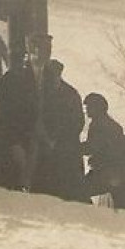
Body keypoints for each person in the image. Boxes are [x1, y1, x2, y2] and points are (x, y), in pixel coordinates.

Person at [0, 34, 49, 191]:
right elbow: (5, 113)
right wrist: (14, 142)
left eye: (47, 49)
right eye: (38, 48)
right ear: (29, 49)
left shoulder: (52, 78)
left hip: (40, 145)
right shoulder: (13, 78)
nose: (43, 52)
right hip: (16, 143)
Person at [34, 51, 88, 202]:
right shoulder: (41, 93)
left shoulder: (71, 94)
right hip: (46, 151)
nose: (50, 81)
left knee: (68, 193)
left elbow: (78, 122)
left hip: (66, 151)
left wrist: (58, 139)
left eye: (53, 77)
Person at [81, 93, 125, 208]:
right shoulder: (110, 124)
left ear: (97, 108)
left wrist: (73, 147)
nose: (86, 111)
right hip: (111, 172)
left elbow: (93, 147)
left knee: (78, 190)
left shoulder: (100, 125)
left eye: (89, 107)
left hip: (105, 172)